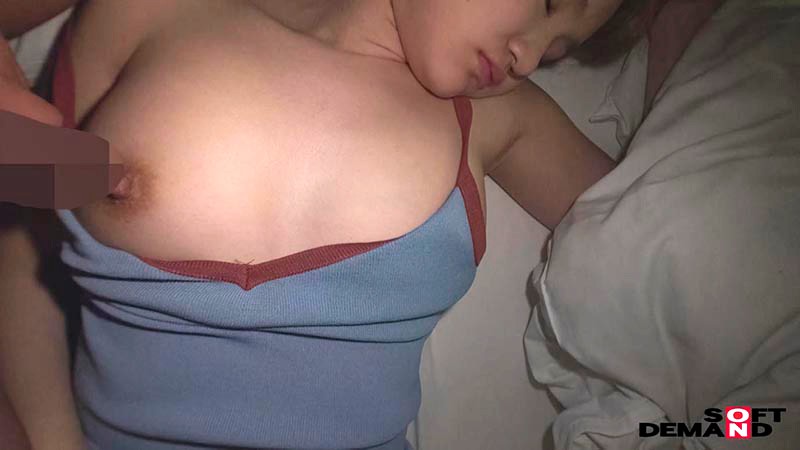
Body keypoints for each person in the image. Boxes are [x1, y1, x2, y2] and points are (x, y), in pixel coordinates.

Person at [0, 0, 652, 449]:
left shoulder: (503, 118)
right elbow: (26, 245)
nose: (528, 57)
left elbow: (663, 234)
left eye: (560, 49)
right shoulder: (141, 15)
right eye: (546, 4)